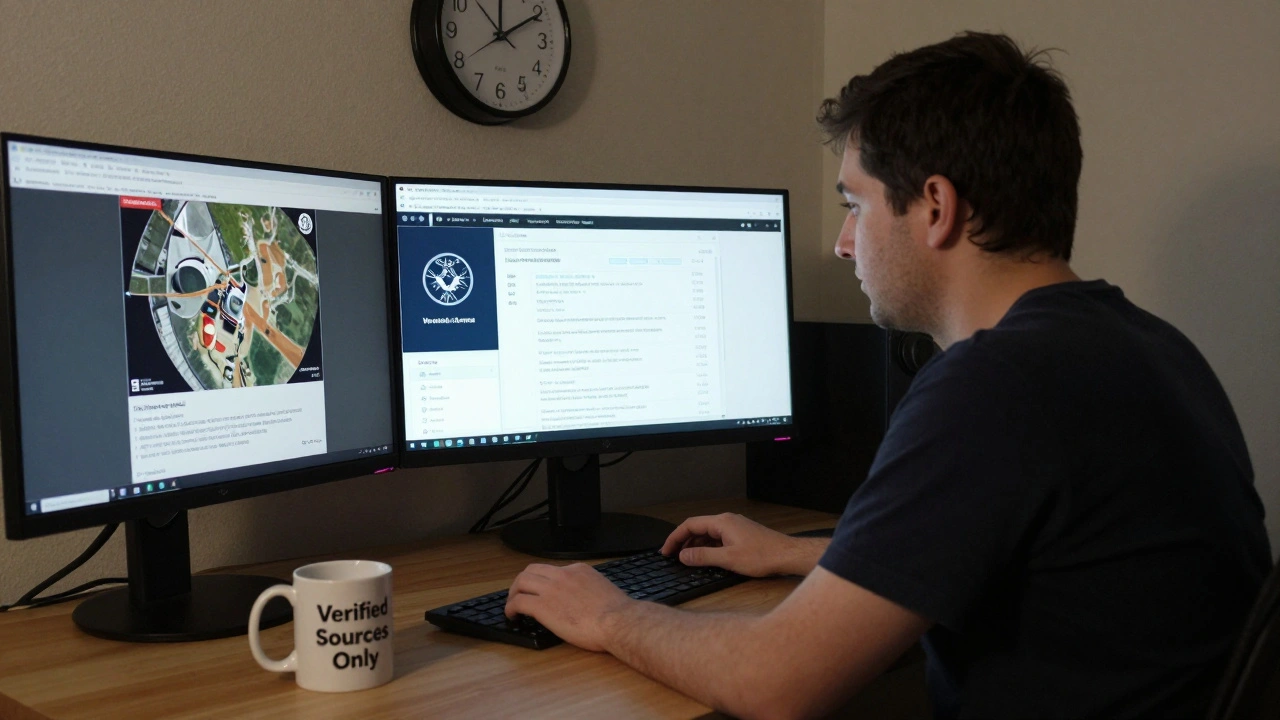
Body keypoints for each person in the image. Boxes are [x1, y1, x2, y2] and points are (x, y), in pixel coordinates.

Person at [503, 31, 1271, 719]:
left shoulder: (994, 386)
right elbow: (1043, 558)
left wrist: (609, 614)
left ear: (935, 207)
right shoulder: (1147, 347)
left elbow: (777, 684)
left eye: (855, 204)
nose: (843, 244)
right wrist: (809, 554)